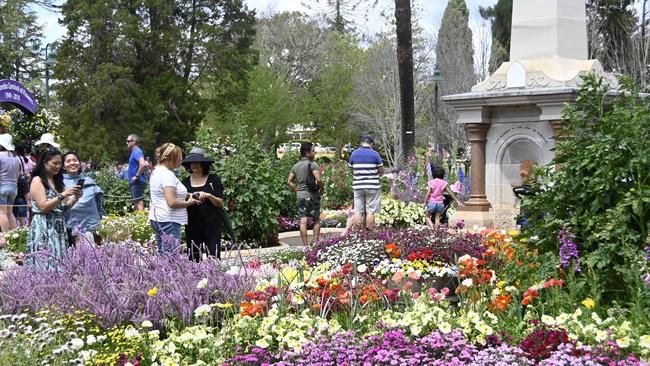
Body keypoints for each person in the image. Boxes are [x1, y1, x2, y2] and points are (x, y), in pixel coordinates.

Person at [27, 148, 82, 269]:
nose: (58, 166)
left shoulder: (58, 181)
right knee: (44, 263)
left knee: (59, 262)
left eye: (59, 164)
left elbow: (64, 207)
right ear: (45, 162)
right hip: (44, 226)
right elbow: (43, 207)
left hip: (58, 227)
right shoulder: (37, 180)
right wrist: (62, 195)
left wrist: (75, 198)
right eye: (54, 163)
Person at [149, 143, 200, 254]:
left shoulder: (157, 171)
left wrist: (187, 195)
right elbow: (171, 202)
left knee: (163, 254)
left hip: (158, 218)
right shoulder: (167, 175)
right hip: (168, 220)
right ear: (171, 158)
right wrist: (189, 202)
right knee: (171, 257)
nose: (180, 161)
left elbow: (164, 193)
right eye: (179, 158)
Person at [181, 148, 225, 261]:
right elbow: (181, 202)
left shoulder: (213, 180)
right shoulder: (184, 183)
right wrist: (190, 196)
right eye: (191, 162)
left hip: (211, 225)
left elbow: (220, 202)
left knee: (214, 257)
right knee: (194, 258)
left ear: (203, 164)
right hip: (192, 225)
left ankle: (216, 278)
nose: (194, 165)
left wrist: (208, 195)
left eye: (197, 162)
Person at [62, 151, 105, 244]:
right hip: (71, 230)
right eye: (68, 161)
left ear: (79, 163)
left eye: (75, 160)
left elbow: (98, 205)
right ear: (63, 166)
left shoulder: (89, 181)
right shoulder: (60, 184)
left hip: (93, 227)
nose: (72, 163)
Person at [287, 142, 324, 245]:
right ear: (307, 153)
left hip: (301, 197)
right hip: (312, 195)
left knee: (303, 221)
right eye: (313, 150)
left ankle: (305, 245)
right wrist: (322, 188)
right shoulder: (313, 164)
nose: (315, 152)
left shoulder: (296, 166)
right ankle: (315, 242)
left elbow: (289, 181)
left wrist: (297, 190)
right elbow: (318, 179)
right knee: (316, 219)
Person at [348, 135, 384, 230]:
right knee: (370, 211)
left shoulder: (354, 154)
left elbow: (351, 170)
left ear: (361, 143)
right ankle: (368, 233)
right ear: (371, 143)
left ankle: (357, 233)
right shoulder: (375, 154)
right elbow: (381, 171)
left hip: (358, 186)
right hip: (372, 186)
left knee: (358, 211)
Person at [0, 134, 20, 232]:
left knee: (2, 213)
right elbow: (17, 176)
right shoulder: (17, 158)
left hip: (2, 187)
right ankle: (15, 236)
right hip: (13, 187)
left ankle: (5, 237)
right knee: (9, 212)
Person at [126, 134, 148, 211]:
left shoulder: (136, 152)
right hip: (135, 181)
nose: (127, 143)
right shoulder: (135, 152)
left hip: (137, 181)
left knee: (138, 201)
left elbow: (142, 164)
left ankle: (140, 219)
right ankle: (137, 218)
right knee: (136, 201)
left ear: (134, 142)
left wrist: (137, 176)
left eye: (128, 141)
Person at [13, 144, 32, 227]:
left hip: (18, 199)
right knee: (20, 217)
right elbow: (26, 192)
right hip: (20, 199)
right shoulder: (26, 159)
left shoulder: (15, 158)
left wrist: (28, 202)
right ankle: (22, 228)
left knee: (16, 216)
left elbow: (27, 192)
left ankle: (21, 228)